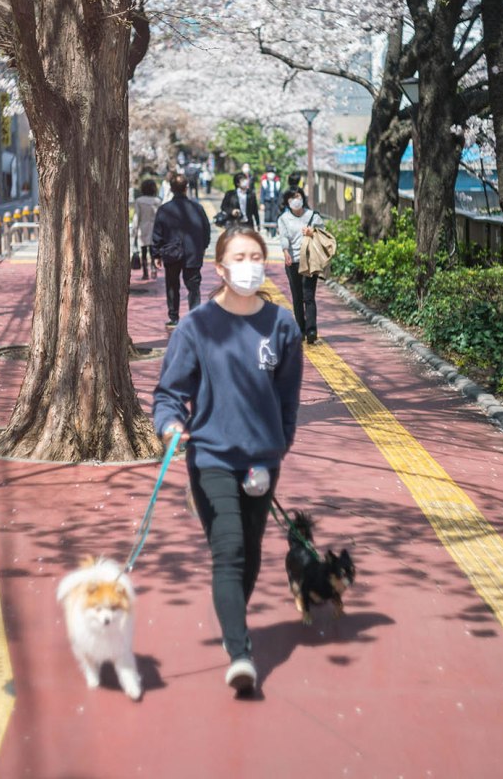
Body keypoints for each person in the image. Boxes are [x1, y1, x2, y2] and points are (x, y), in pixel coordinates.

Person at [153, 227, 303, 695]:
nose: (249, 265)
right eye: (239, 257)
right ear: (220, 268)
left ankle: (231, 618)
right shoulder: (197, 326)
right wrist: (170, 425)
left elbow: (288, 397)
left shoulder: (282, 325)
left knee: (252, 552)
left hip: (262, 460)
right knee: (230, 550)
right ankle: (240, 653)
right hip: (211, 456)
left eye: (256, 256)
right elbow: (170, 393)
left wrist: (280, 443)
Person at [151, 173, 211, 328]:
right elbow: (206, 230)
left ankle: (174, 317)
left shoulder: (164, 210)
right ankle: (195, 315)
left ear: (171, 189)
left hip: (171, 253)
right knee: (193, 287)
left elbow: (157, 233)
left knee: (172, 285)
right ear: (186, 188)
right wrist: (203, 247)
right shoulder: (197, 208)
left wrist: (156, 254)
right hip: (193, 253)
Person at [277, 186, 323, 344]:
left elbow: (323, 233)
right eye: (292, 198)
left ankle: (311, 330)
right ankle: (300, 329)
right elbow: (284, 237)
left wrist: (313, 232)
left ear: (303, 198)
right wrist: (285, 252)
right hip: (293, 261)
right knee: (297, 296)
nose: (295, 200)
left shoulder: (313, 216)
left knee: (308, 296)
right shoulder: (283, 219)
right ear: (287, 201)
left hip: (310, 260)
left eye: (298, 196)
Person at [132, 178, 161, 280]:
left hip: (142, 228)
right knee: (153, 250)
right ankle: (153, 269)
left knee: (143, 252)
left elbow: (137, 217)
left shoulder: (139, 201)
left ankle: (145, 273)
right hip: (154, 229)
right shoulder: (158, 201)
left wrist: (134, 231)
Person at [259, 165, 281, 236]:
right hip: (267, 201)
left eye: (272, 172)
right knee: (267, 216)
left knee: (274, 217)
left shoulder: (277, 183)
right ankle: (267, 230)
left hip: (275, 202)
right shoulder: (264, 182)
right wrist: (261, 203)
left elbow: (279, 194)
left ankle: (273, 233)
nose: (271, 174)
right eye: (269, 172)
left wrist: (280, 204)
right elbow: (262, 194)